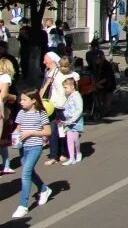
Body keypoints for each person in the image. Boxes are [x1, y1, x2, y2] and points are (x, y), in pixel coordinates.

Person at [11, 88, 53, 218]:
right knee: (29, 172)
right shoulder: (21, 113)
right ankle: (44, 189)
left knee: (25, 173)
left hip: (35, 147)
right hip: (23, 147)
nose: (21, 102)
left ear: (33, 100)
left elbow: (48, 131)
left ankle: (23, 205)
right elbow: (18, 127)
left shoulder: (41, 113)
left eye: (24, 99)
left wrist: (31, 133)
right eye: (20, 99)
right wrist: (15, 135)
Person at [60, 77, 84, 165]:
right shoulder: (69, 96)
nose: (64, 89)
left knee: (75, 140)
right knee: (69, 139)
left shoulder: (77, 96)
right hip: (68, 121)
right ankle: (72, 158)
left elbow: (79, 109)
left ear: (72, 86)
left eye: (66, 87)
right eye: (64, 87)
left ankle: (78, 153)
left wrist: (73, 119)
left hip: (76, 121)